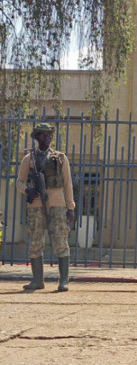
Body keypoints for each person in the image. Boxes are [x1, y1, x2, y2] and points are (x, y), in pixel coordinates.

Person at [16, 123, 76, 292]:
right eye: (42, 135)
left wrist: (70, 207)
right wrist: (27, 189)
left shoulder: (61, 158)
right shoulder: (29, 158)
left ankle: (63, 281)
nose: (46, 138)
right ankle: (37, 280)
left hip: (57, 203)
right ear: (36, 137)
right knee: (35, 241)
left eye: (49, 135)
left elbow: (67, 184)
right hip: (36, 204)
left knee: (60, 240)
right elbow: (19, 182)